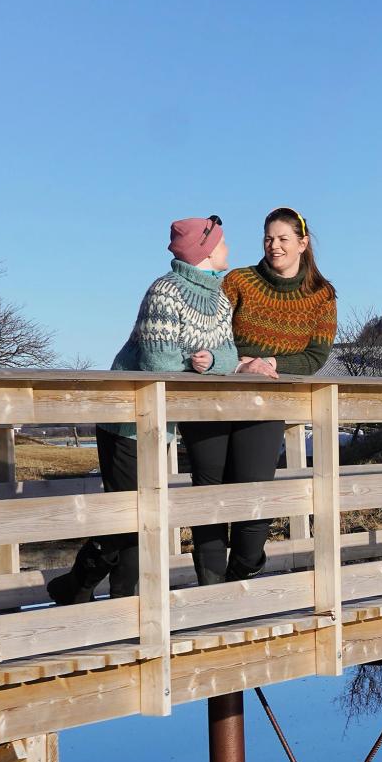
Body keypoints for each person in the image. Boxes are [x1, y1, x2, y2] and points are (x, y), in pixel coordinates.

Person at [47, 216, 236, 604]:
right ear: (205, 250)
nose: (227, 248)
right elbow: (158, 363)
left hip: (161, 423)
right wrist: (195, 365)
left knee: (137, 514)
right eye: (221, 241)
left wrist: (213, 359)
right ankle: (106, 599)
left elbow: (230, 354)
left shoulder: (220, 300)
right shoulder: (164, 292)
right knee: (131, 517)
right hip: (126, 420)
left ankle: (79, 588)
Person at [183, 206, 337, 584]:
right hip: (213, 396)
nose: (274, 246)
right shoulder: (239, 281)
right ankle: (210, 595)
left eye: (283, 239)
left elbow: (315, 356)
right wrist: (239, 363)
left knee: (254, 499)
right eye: (269, 238)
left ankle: (243, 573)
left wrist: (268, 361)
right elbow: (205, 333)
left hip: (265, 403)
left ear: (302, 243)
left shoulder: (321, 295)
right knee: (209, 499)